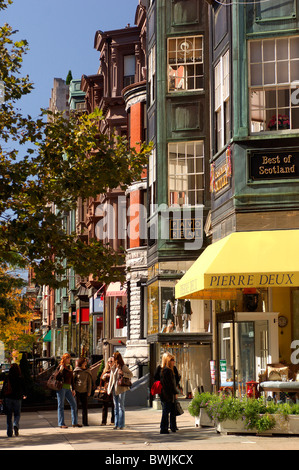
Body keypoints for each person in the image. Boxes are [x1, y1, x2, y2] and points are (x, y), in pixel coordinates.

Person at [107, 351, 133, 430]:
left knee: (120, 406)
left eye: (113, 357)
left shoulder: (123, 366)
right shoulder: (113, 367)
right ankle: (116, 424)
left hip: (121, 388)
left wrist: (123, 373)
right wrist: (109, 389)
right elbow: (111, 378)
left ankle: (121, 424)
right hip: (114, 388)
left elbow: (131, 374)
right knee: (115, 407)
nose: (112, 359)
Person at [0, 363, 27, 437]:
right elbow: (24, 387)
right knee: (17, 414)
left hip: (8, 397)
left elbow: (4, 387)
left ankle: (9, 432)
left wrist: (1, 396)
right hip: (17, 398)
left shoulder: (8, 377)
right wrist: (24, 394)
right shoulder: (20, 377)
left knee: (9, 415)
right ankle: (15, 424)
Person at [56, 353, 80, 428]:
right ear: (64, 359)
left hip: (68, 388)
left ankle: (74, 422)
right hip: (61, 388)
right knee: (61, 406)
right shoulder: (61, 366)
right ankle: (61, 423)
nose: (69, 359)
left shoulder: (70, 367)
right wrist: (60, 371)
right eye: (67, 358)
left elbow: (72, 379)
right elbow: (56, 377)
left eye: (69, 358)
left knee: (74, 404)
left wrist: (73, 389)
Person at [158, 352, 179, 434]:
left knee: (167, 411)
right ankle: (164, 428)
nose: (173, 361)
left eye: (173, 360)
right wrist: (175, 392)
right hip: (167, 395)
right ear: (167, 361)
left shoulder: (166, 370)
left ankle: (166, 427)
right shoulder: (167, 371)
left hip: (166, 394)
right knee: (166, 412)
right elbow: (171, 384)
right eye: (172, 360)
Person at [73, 357, 93, 426]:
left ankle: (85, 422)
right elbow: (73, 381)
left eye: (86, 361)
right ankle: (75, 422)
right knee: (76, 407)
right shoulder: (76, 371)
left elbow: (89, 382)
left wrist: (89, 391)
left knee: (85, 408)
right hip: (77, 391)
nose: (86, 363)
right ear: (81, 363)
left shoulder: (88, 371)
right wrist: (73, 390)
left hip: (84, 391)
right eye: (84, 361)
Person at [99, 357, 115, 426]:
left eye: (111, 361)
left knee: (113, 406)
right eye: (108, 361)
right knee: (104, 406)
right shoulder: (105, 370)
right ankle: (103, 421)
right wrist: (104, 376)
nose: (109, 363)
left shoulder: (115, 370)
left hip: (113, 390)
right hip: (106, 390)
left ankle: (113, 421)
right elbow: (101, 379)